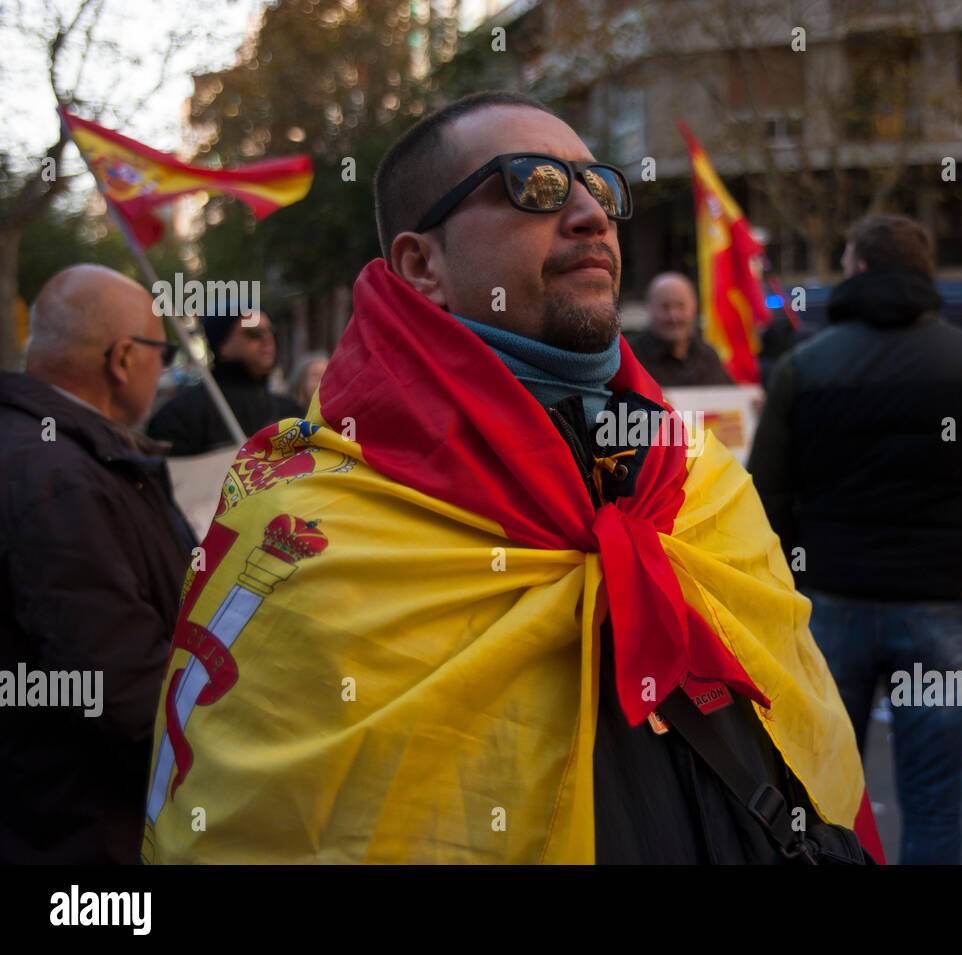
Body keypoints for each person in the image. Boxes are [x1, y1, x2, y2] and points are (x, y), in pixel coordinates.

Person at [141, 90, 881, 865]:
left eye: (599, 186)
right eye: (533, 185)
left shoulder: (701, 476)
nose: (591, 214)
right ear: (421, 264)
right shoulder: (310, 518)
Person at [748, 213, 962, 864]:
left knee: (818, 799)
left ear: (856, 267)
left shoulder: (803, 366)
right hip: (941, 614)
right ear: (926, 274)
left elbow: (764, 501)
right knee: (934, 801)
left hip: (825, 612)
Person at [0, 264, 194, 863]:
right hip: (79, 837)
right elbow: (125, 690)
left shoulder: (56, 454)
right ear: (123, 358)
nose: (162, 371)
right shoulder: (58, 477)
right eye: (161, 352)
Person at [148, 309, 303, 455]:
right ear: (223, 344)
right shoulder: (181, 415)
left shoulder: (291, 411)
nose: (267, 339)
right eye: (254, 333)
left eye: (271, 331)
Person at [626, 272, 733, 387]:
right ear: (649, 309)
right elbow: (622, 404)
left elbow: (727, 399)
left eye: (680, 306)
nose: (673, 316)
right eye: (665, 307)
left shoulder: (708, 357)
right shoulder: (630, 358)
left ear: (695, 308)